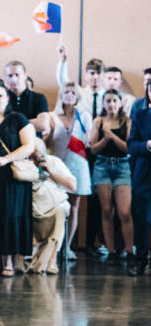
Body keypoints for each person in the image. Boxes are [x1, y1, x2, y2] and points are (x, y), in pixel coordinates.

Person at [0, 78, 36, 275]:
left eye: (0, 96)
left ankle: (9, 263)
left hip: (12, 175)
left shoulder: (18, 119)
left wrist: (6, 159)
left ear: (7, 98)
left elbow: (29, 146)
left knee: (10, 215)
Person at [90, 89, 134, 267]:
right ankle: (110, 250)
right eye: (108, 101)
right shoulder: (98, 121)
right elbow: (93, 149)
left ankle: (130, 249)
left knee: (124, 211)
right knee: (107, 210)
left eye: (114, 101)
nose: (111, 104)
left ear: (120, 102)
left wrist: (112, 136)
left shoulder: (127, 121)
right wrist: (105, 138)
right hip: (102, 166)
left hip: (122, 166)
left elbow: (128, 148)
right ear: (103, 103)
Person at [49, 82, 92, 256]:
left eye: (73, 92)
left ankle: (66, 246)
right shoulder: (52, 116)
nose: (69, 94)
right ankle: (53, 246)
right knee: (55, 205)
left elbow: (88, 142)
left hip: (77, 163)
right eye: (66, 91)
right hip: (57, 165)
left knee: (74, 207)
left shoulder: (84, 116)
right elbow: (47, 143)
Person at [28, 139, 77, 274]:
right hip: (32, 202)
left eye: (36, 156)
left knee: (59, 210)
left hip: (54, 201)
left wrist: (50, 170)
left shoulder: (53, 161)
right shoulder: (23, 163)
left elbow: (72, 186)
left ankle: (51, 260)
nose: (34, 159)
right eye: (31, 156)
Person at [128, 77, 151, 275]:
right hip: (144, 173)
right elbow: (132, 145)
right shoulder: (141, 115)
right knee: (142, 217)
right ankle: (141, 259)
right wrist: (147, 145)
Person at [56, 45, 105, 120]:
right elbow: (63, 81)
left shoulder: (109, 96)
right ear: (85, 75)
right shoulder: (79, 93)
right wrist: (63, 60)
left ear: (104, 76)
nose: (95, 77)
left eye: (99, 73)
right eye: (92, 73)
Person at [3, 61, 50, 136]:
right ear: (6, 78)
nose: (14, 79)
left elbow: (43, 124)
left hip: (34, 141)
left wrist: (12, 124)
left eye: (17, 75)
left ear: (25, 76)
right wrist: (31, 122)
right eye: (10, 75)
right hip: (8, 142)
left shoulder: (38, 97)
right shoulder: (2, 98)